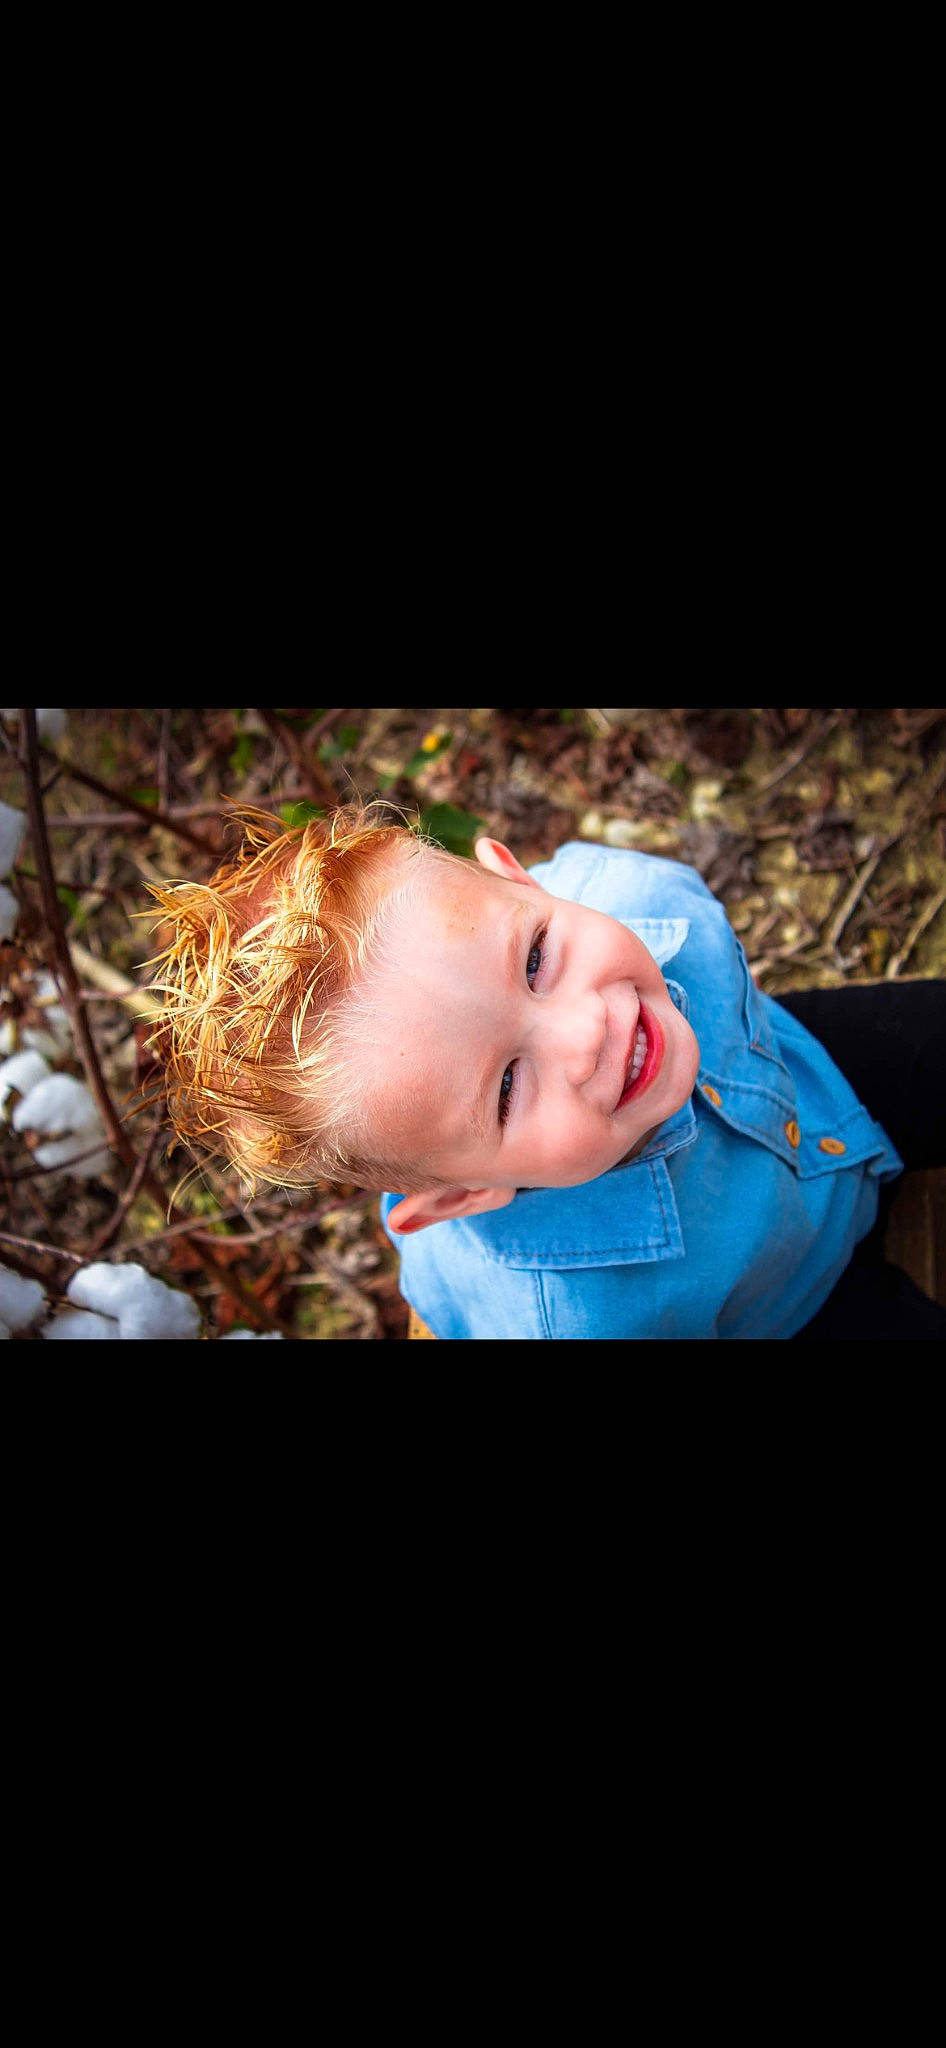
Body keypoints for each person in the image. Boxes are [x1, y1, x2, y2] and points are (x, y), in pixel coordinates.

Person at [147, 802, 946, 1340]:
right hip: (792, 1312)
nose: (586, 1031)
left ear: (518, 878)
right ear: (466, 1194)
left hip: (816, 1075)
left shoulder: (638, 895)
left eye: (534, 958)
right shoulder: (569, 1318)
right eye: (505, 1087)